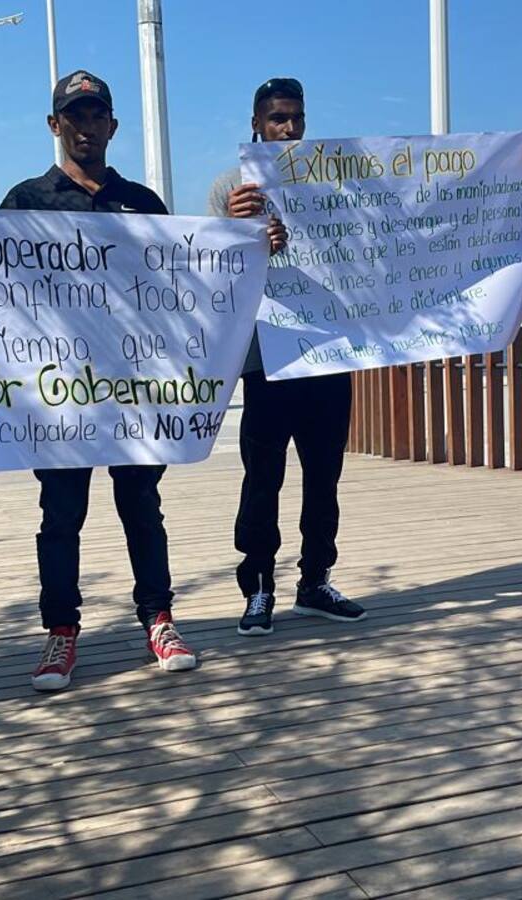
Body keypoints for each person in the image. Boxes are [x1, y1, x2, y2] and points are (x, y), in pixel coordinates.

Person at [0, 70, 201, 691]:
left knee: (143, 507)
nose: (86, 127)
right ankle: (61, 633)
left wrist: (250, 250)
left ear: (112, 126)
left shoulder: (143, 204)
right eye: (74, 116)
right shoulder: (25, 200)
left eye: (97, 116)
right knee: (61, 515)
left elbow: (190, 281)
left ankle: (158, 619)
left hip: (131, 394)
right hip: (58, 400)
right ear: (55, 125)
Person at [208, 78, 364, 636]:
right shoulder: (231, 187)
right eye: (277, 119)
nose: (289, 128)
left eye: (296, 117)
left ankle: (315, 580)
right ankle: (258, 587)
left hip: (327, 351)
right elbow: (211, 271)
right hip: (268, 359)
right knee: (262, 478)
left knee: (325, 477)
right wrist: (238, 229)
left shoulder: (334, 180)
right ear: (256, 123)